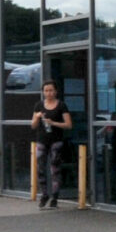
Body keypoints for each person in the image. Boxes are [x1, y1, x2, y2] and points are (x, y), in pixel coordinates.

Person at [30, 80, 73, 208]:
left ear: (55, 91)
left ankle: (55, 196)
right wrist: (37, 117)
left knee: (55, 168)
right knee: (40, 168)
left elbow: (69, 124)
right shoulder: (38, 105)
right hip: (42, 139)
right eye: (46, 90)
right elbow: (33, 125)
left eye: (51, 90)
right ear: (43, 92)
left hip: (56, 140)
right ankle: (44, 194)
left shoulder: (61, 105)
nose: (48, 93)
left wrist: (53, 123)